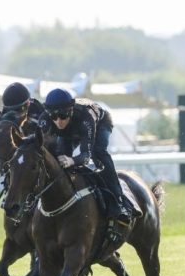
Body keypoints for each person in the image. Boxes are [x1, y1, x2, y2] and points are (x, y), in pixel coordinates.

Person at [38, 88, 132, 238]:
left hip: (100, 123)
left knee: (98, 153)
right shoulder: (45, 119)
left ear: (70, 110)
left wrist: (72, 160)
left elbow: (86, 156)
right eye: (53, 117)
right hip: (70, 131)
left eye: (62, 115)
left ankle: (119, 204)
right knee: (58, 158)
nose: (58, 121)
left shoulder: (85, 117)